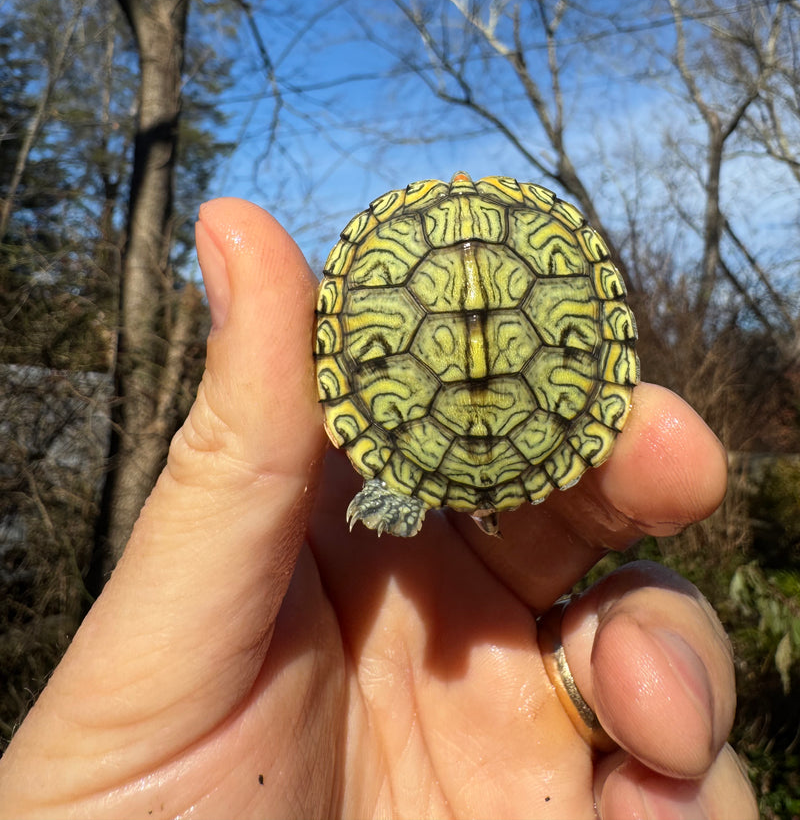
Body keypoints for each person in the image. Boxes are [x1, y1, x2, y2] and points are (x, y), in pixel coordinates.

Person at [0, 198, 758, 819]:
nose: (484, 507)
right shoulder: (538, 469)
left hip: (435, 408)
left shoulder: (426, 478)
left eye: (488, 508)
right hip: (515, 420)